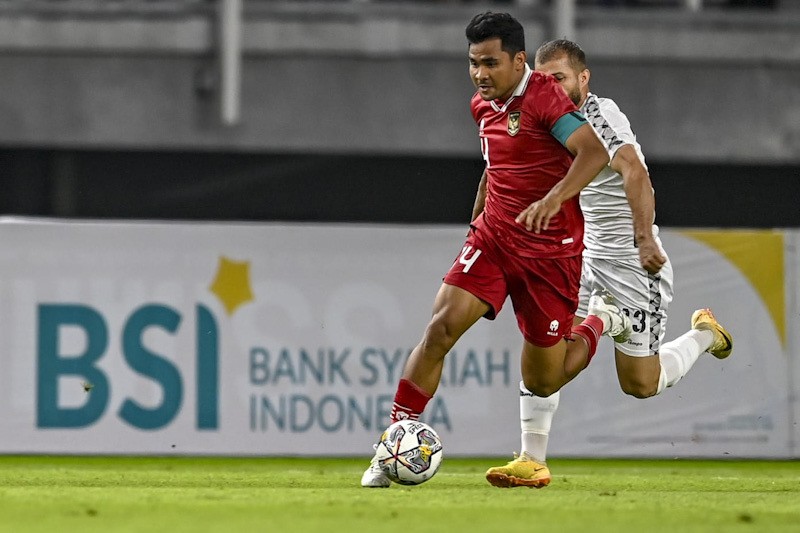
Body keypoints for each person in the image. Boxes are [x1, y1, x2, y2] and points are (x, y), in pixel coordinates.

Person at [361, 12, 633, 489]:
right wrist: (476, 222)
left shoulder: (546, 98)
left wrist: (552, 200)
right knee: (441, 328)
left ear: (519, 60)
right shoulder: (481, 106)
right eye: (473, 63)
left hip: (551, 255)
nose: (480, 74)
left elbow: (594, 153)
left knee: (545, 380)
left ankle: (601, 320)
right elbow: (496, 168)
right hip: (494, 240)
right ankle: (389, 447)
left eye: (490, 63)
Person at [483, 39, 734, 489]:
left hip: (632, 266)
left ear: (583, 78)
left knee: (639, 384)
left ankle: (702, 334)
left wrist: (643, 240)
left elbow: (634, 171)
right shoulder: (546, 118)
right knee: (547, 352)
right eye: (545, 80)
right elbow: (498, 167)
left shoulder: (602, 117)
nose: (552, 87)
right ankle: (531, 459)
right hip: (579, 259)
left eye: (560, 78)